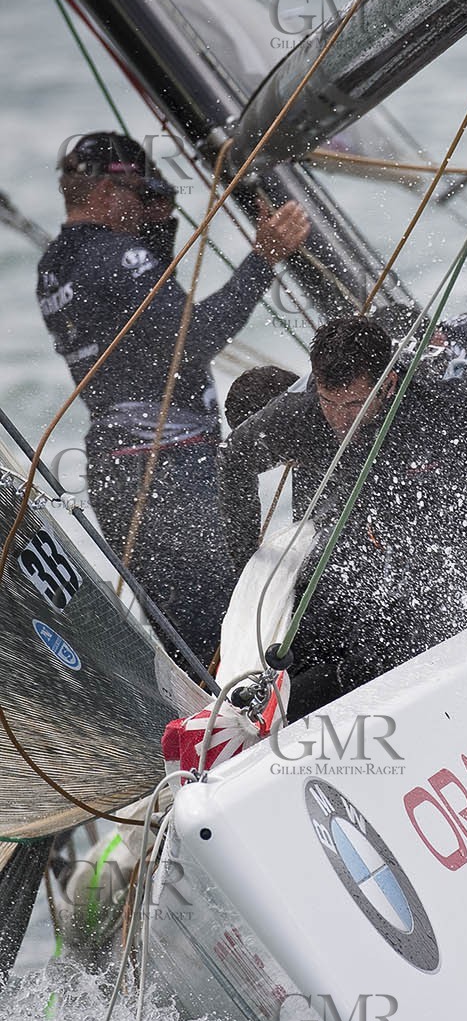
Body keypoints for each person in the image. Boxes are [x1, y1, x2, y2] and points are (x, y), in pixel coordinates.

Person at [37, 131, 309, 662]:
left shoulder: (55, 265)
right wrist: (264, 258)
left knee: (193, 649)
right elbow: (194, 338)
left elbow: (145, 325)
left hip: (117, 472)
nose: (145, 205)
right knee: (238, 628)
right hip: (170, 467)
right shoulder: (119, 256)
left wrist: (157, 224)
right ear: (107, 190)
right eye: (139, 193)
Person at [218, 317, 467, 712]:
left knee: (385, 648)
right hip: (365, 541)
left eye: (355, 404)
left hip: (456, 537)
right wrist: (247, 562)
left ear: (389, 382)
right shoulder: (301, 413)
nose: (341, 419)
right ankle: (256, 712)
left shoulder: (445, 392)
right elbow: (232, 462)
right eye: (329, 402)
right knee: (306, 633)